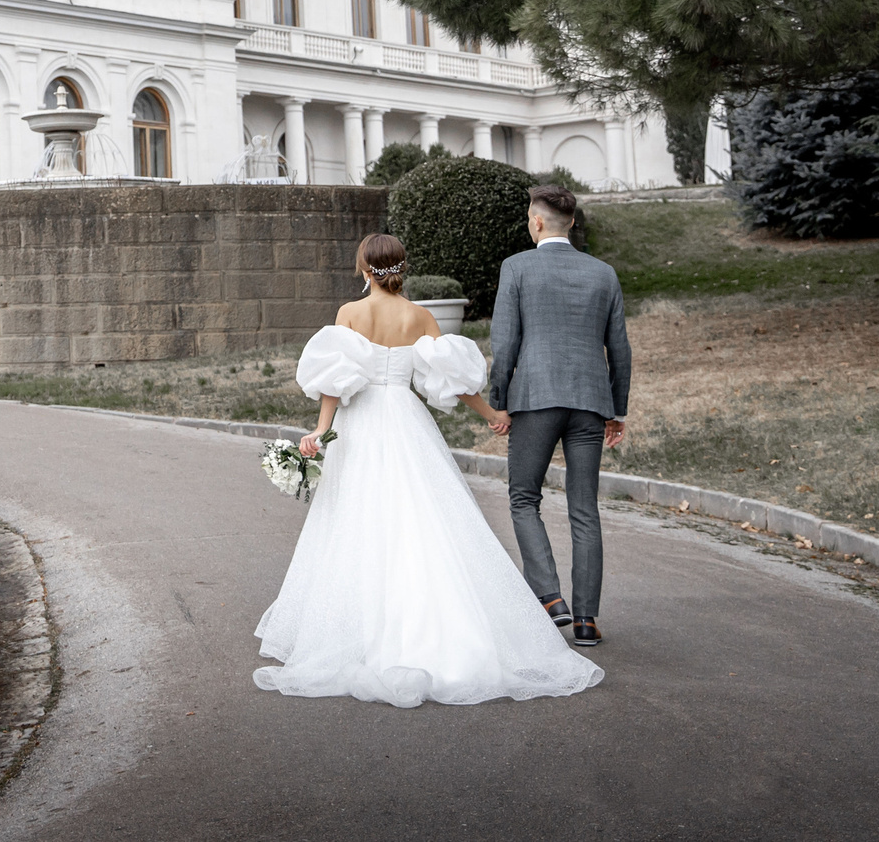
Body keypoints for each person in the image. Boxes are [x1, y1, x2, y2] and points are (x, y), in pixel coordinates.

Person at [252, 233, 605, 708]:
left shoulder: (350, 315)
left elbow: (334, 382)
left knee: (358, 522)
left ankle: (361, 628)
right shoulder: (419, 317)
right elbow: (450, 378)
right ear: (402, 267)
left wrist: (319, 432)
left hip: (363, 425)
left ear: (363, 268)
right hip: (406, 419)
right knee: (422, 520)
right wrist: (492, 414)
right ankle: (439, 625)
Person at [489, 184, 632, 649]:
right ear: (570, 224)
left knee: (524, 498)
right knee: (584, 509)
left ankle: (551, 599)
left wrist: (498, 400)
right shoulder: (603, 273)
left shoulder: (516, 268)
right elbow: (620, 349)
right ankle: (587, 620)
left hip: (534, 399)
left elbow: (504, 344)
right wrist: (618, 409)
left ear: (536, 222)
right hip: (591, 402)